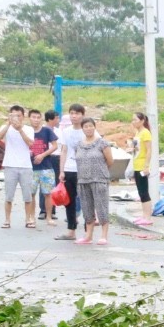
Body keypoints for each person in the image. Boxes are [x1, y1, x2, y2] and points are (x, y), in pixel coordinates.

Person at [73, 117, 114, 245]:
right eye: (86, 126)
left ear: (94, 127)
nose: (88, 128)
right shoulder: (78, 144)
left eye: (91, 126)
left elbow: (110, 160)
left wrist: (100, 171)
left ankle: (103, 235)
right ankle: (88, 236)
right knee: (87, 208)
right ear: (82, 128)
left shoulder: (102, 143)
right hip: (83, 180)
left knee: (101, 206)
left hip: (99, 179)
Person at [0, 105, 36, 229]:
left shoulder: (28, 129)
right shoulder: (5, 127)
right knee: (9, 195)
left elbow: (30, 143)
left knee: (27, 195)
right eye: (13, 115)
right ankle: (7, 219)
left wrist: (20, 129)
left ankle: (28, 218)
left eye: (18, 115)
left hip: (25, 166)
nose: (16, 118)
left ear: (23, 116)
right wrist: (9, 124)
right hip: (10, 165)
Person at [55, 104, 86, 240]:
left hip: (85, 170)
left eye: (77, 113)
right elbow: (64, 151)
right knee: (69, 201)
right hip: (69, 169)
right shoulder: (66, 131)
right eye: (72, 113)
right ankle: (71, 231)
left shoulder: (88, 130)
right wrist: (62, 170)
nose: (74, 116)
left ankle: (88, 232)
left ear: (82, 115)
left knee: (86, 200)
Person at [29, 109, 59, 224]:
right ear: (29, 118)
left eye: (38, 117)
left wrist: (43, 155)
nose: (36, 120)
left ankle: (49, 217)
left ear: (41, 119)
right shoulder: (26, 131)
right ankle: (31, 217)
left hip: (46, 167)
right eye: (33, 117)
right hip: (30, 168)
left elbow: (55, 146)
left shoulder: (46, 130)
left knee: (48, 193)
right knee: (31, 193)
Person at [130, 112, 154, 226]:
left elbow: (149, 150)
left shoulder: (145, 133)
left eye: (135, 120)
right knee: (140, 191)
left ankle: (148, 217)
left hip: (142, 165)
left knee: (144, 191)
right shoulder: (137, 133)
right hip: (136, 163)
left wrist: (146, 165)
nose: (133, 122)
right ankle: (144, 215)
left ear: (142, 121)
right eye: (132, 120)